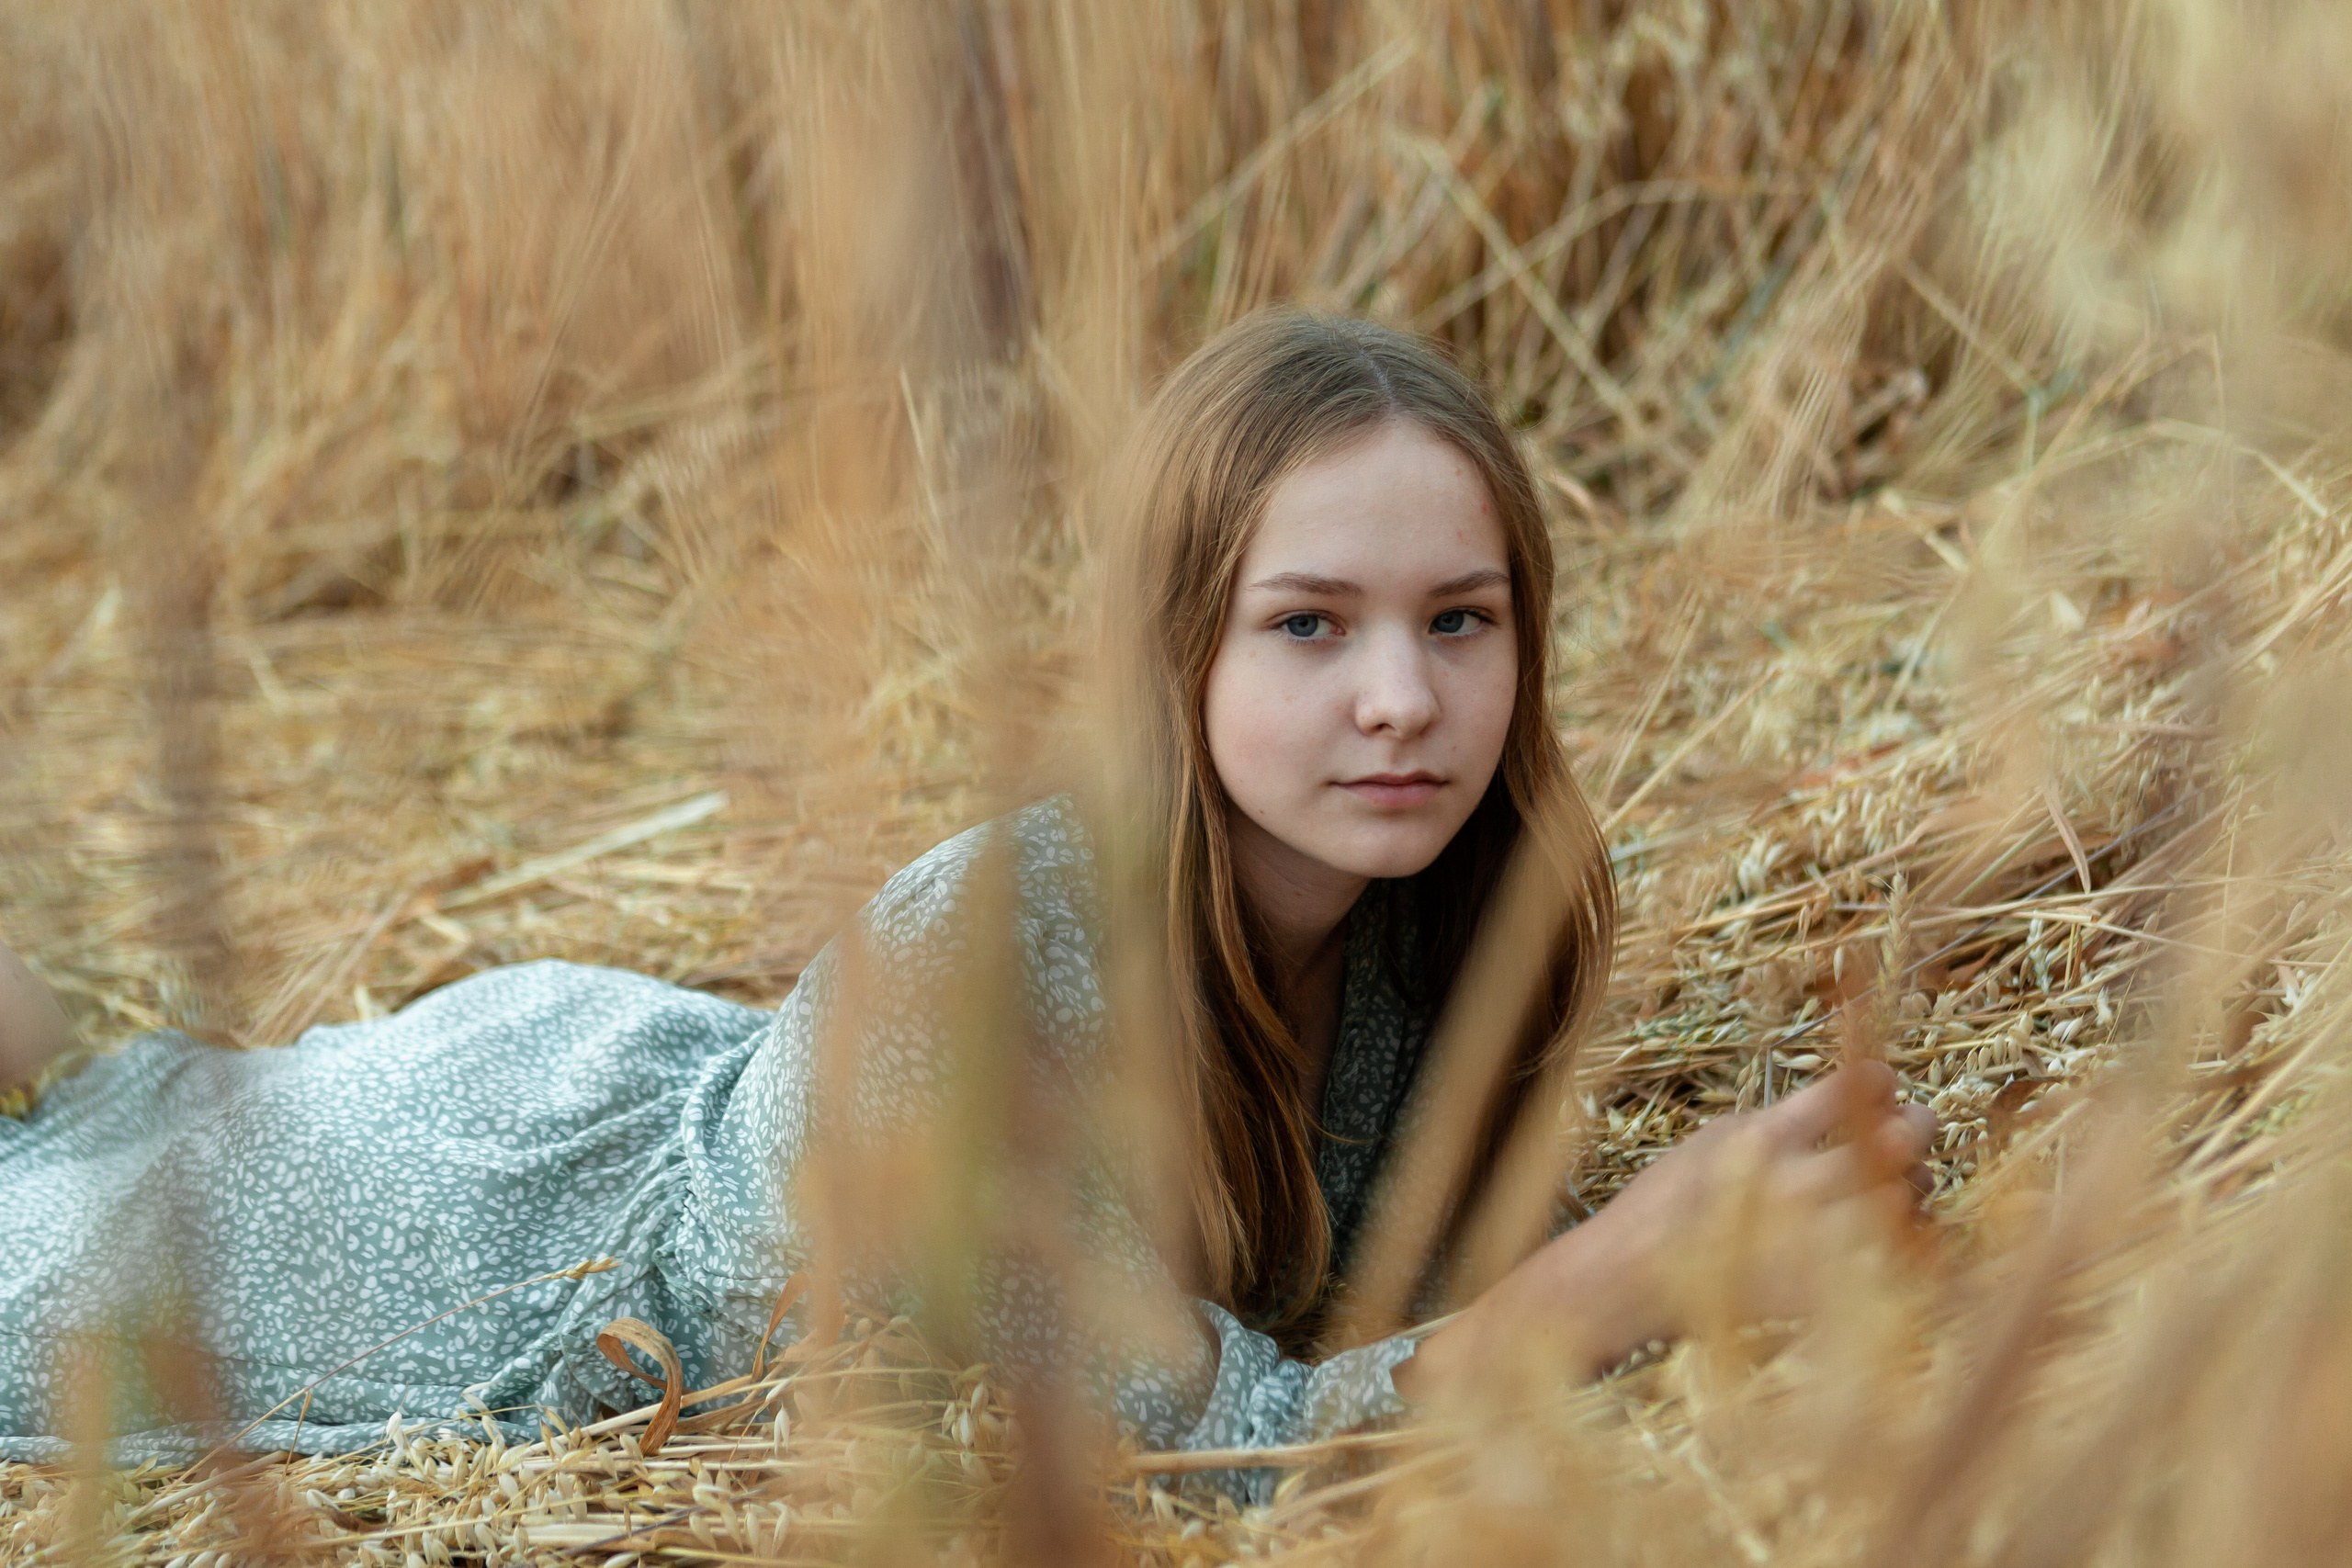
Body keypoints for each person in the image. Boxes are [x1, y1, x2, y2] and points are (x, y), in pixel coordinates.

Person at [0, 310, 1932, 1498]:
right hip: (454, 1245)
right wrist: (1622, 1276)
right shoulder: (987, 968)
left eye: (1459, 620)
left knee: (124, 1072)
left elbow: (1416, 1299)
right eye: (1306, 625)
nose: (1399, 698)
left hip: (605, 1051)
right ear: (1169, 652)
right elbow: (1214, 1452)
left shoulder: (1440, 914)